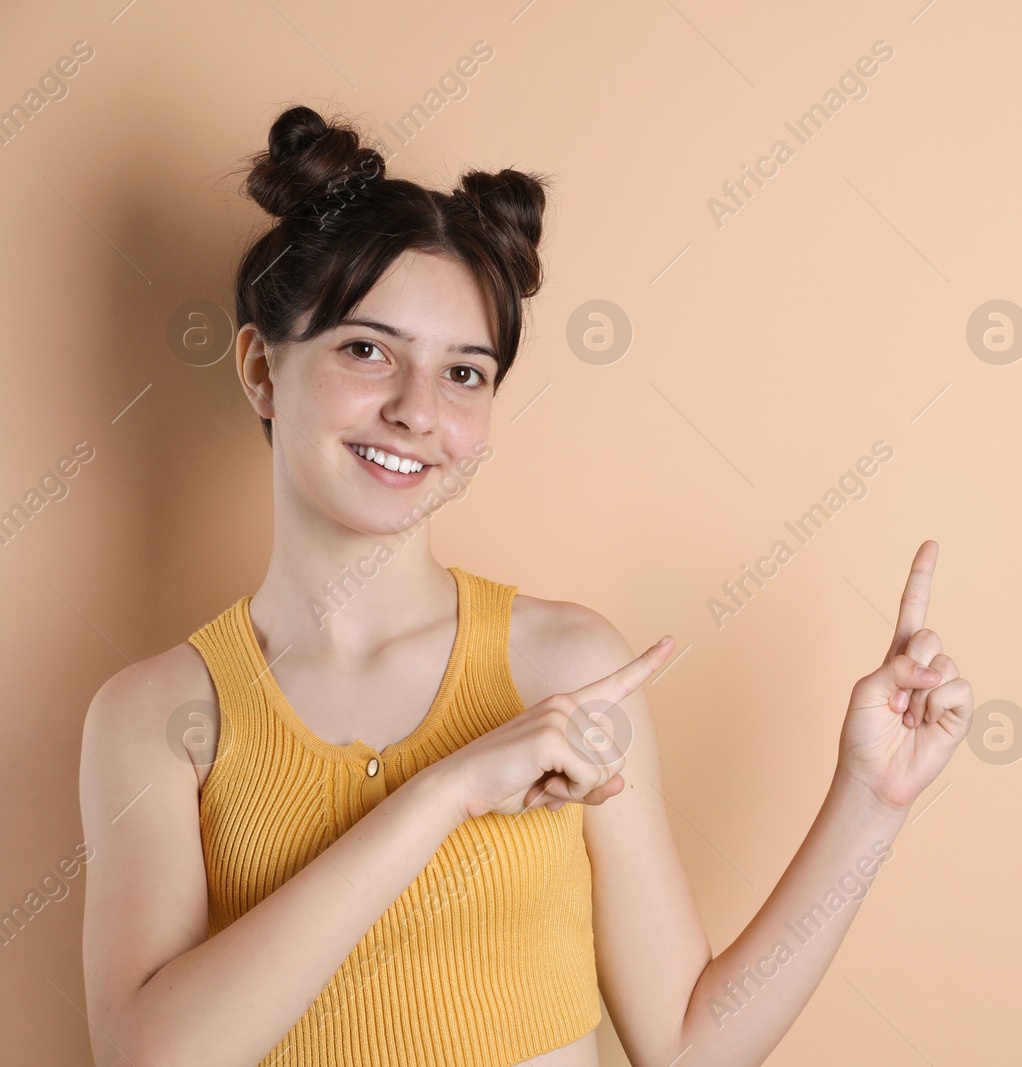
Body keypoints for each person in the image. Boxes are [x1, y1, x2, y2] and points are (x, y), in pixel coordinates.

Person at [77, 104, 974, 1067]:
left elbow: (688, 1044)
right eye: (366, 349)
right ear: (260, 367)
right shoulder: (161, 715)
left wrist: (871, 802)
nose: (418, 411)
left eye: (465, 373)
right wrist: (446, 792)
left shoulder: (568, 665)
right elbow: (149, 1058)